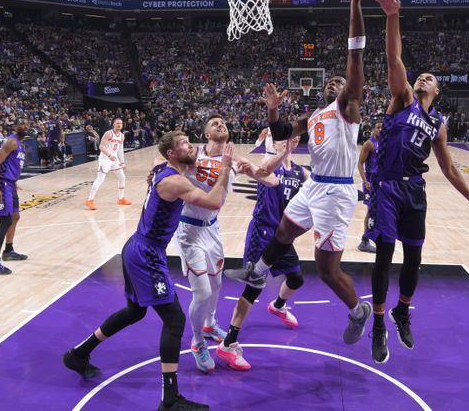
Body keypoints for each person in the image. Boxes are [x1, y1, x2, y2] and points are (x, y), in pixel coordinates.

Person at [225, 0, 379, 346]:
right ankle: (258, 273)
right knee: (283, 231)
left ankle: (359, 311)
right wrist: (274, 108)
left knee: (327, 270)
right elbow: (280, 129)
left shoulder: (348, 109)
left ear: (348, 90)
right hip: (315, 186)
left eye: (342, 82)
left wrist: (355, 3)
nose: (336, 83)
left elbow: (355, 57)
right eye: (333, 81)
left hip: (337, 192)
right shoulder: (315, 116)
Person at [367, 0, 469, 364]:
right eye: (421, 76)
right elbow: (393, 58)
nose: (423, 78)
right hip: (388, 188)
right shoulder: (402, 100)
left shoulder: (439, 124)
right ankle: (379, 324)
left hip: (415, 191)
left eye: (429, 78)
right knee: (383, 256)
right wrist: (393, 15)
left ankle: (401, 311)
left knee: (414, 258)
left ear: (438, 90)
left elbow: (448, 167)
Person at [63, 131, 234, 411]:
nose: (190, 146)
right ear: (172, 154)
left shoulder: (161, 169)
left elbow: (166, 163)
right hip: (146, 255)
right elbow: (215, 202)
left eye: (190, 141)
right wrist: (225, 169)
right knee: (175, 321)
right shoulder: (174, 181)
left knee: (134, 311)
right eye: (184, 144)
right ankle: (169, 400)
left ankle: (78, 354)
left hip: (137, 248)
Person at [174, 114, 270, 374]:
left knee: (216, 284)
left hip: (212, 230)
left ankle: (209, 323)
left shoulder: (236, 161)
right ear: (206, 134)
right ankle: (197, 342)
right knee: (202, 292)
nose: (220, 124)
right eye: (214, 123)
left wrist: (283, 161)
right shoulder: (193, 155)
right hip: (189, 231)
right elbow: (168, 166)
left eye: (223, 123)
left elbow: (267, 177)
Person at [218, 136, 306, 371]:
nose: (288, 142)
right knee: (254, 287)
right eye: (282, 140)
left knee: (296, 278)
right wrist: (227, 154)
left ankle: (278, 305)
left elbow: (319, 182)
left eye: (291, 138)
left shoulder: (299, 172)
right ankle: (229, 342)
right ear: (273, 143)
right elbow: (253, 168)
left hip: (283, 234)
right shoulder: (267, 166)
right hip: (263, 233)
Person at [0, 119, 30, 275]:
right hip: (2, 185)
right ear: (15, 127)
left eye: (26, 124)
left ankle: (8, 251)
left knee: (15, 216)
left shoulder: (21, 144)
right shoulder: (11, 141)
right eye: (22, 124)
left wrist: (14, 182)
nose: (25, 126)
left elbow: (12, 165)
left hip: (10, 184)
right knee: (5, 220)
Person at [85, 117, 132, 210]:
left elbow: (120, 150)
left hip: (114, 160)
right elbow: (101, 146)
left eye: (121, 123)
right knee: (100, 179)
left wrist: (122, 162)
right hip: (105, 159)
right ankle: (89, 200)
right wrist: (109, 155)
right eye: (117, 123)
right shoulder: (108, 133)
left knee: (122, 177)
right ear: (113, 124)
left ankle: (121, 198)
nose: (119, 125)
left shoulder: (122, 136)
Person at [357, 121, 382, 253]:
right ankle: (364, 240)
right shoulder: (369, 143)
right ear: (373, 129)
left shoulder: (385, 142)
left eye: (382, 127)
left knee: (378, 211)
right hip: (370, 181)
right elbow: (360, 164)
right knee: (371, 211)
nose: (380, 129)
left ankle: (373, 236)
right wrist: (365, 181)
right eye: (378, 127)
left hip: (381, 182)